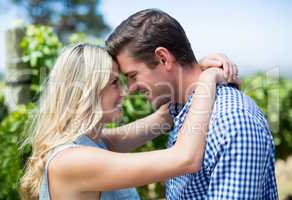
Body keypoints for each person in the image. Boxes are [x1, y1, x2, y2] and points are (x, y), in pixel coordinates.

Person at [20, 43, 237, 200]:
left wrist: (193, 72)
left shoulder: (92, 142)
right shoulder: (72, 160)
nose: (125, 92)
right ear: (88, 90)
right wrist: (208, 79)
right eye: (115, 82)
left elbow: (163, 117)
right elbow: (185, 159)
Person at [106, 9, 278, 199]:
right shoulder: (180, 110)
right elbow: (109, 143)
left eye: (132, 76)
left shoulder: (233, 121)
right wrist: (205, 78)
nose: (130, 89)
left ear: (163, 58)